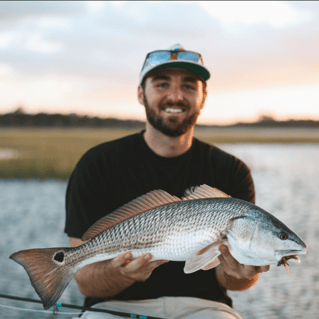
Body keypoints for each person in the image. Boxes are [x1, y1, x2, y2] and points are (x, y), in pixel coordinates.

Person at [65, 43, 270, 319]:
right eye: (162, 84)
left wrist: (244, 273)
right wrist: (119, 273)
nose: (175, 95)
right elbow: (85, 280)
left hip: (205, 307)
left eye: (188, 86)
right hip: (113, 308)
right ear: (141, 93)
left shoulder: (232, 171)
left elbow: (232, 281)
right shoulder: (97, 164)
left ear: (203, 96)